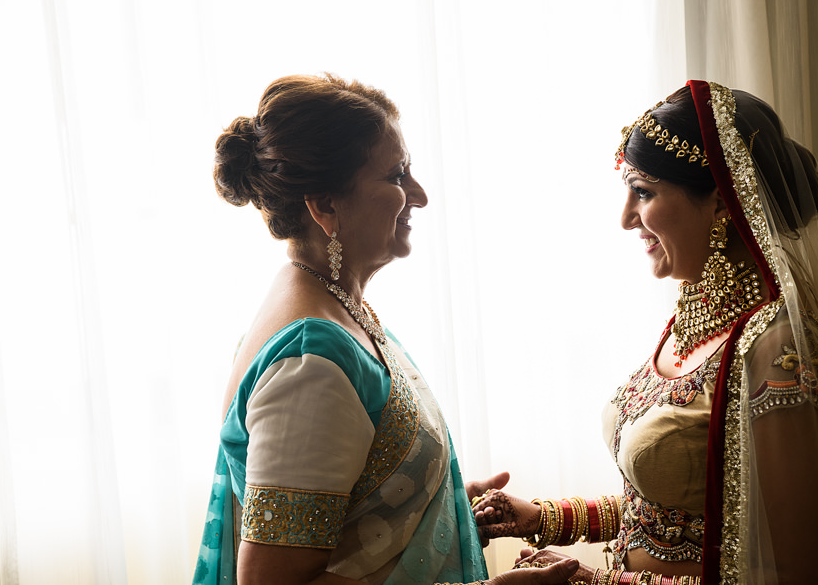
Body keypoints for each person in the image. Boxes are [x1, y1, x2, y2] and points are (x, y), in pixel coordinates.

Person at [472, 81, 818, 584]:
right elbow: (678, 511)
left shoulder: (776, 348)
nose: (625, 218)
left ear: (722, 202)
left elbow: (797, 573)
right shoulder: (694, 322)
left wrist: (594, 582)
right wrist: (546, 519)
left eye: (643, 192)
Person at [193, 73, 578, 585]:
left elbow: (348, 504)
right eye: (396, 175)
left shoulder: (335, 305)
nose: (417, 194)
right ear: (325, 205)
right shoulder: (311, 362)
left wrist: (435, 507)